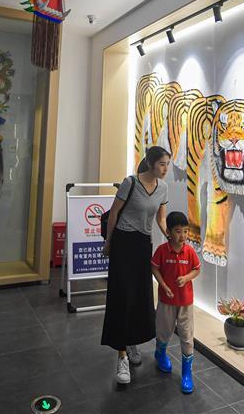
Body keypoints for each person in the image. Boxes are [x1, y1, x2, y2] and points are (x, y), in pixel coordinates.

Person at [101, 146, 171, 385]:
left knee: (140, 296)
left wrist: (171, 237)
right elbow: (114, 214)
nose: (165, 169)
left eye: (167, 164)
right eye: (161, 164)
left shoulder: (163, 188)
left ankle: (131, 341)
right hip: (123, 243)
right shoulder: (130, 183)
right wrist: (109, 242)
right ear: (150, 163)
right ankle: (121, 355)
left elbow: (161, 218)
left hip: (143, 244)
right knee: (122, 296)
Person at [151, 211, 201, 393]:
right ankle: (160, 354)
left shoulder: (190, 251)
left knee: (187, 336)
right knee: (163, 331)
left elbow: (196, 269)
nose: (183, 236)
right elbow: (154, 268)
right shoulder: (162, 250)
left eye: (186, 231)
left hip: (186, 302)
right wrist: (163, 285)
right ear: (168, 232)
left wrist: (187, 278)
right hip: (166, 301)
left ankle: (187, 374)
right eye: (178, 231)